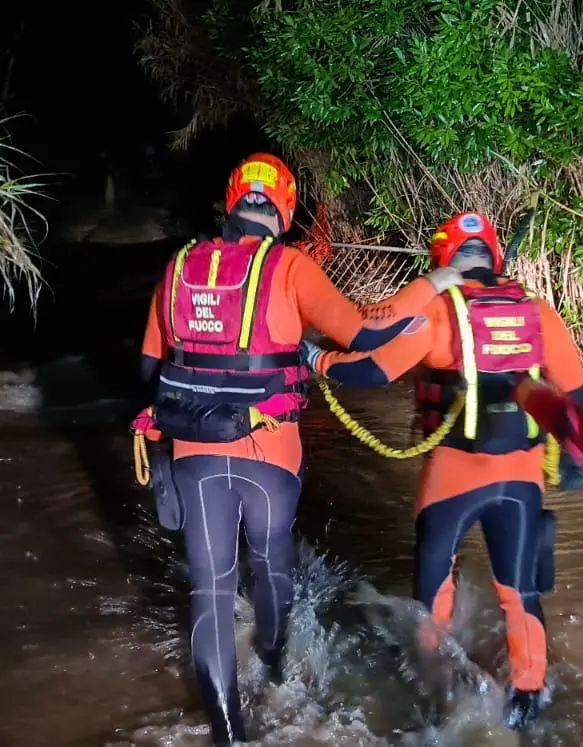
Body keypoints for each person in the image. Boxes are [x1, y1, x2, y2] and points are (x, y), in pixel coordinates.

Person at [134, 153, 465, 745]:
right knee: (270, 561)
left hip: (193, 452)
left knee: (210, 587)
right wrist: (433, 285)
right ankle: (276, 665)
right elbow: (363, 331)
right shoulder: (290, 266)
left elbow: (149, 368)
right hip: (269, 452)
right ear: (284, 209)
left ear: (231, 202)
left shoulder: (180, 266)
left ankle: (227, 731)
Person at [299, 211, 583, 728]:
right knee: (521, 590)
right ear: (495, 256)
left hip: (454, 475)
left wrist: (315, 360)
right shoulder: (537, 311)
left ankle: (434, 691)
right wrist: (575, 458)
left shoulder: (441, 311)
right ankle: (528, 698)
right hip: (522, 476)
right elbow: (577, 397)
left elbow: (372, 369)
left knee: (435, 581)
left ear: (444, 258)